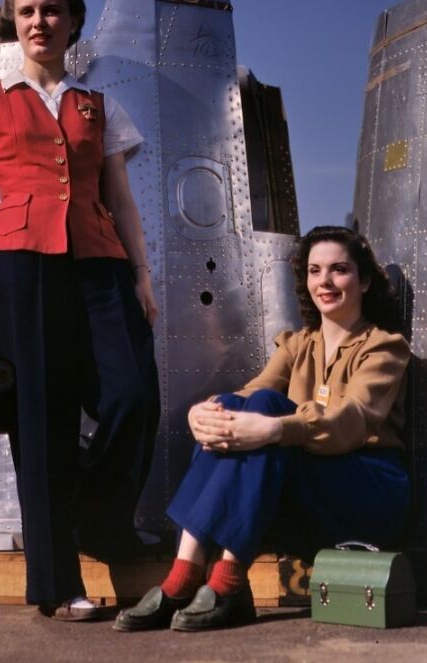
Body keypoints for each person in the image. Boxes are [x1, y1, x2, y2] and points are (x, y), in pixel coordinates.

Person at [0, 0, 160, 621]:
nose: (40, 21)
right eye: (28, 11)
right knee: (40, 422)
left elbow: (121, 198)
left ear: (73, 21)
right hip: (19, 267)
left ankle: (95, 517)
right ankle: (57, 583)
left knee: (133, 395)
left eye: (53, 10)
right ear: (14, 22)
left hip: (99, 264)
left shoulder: (100, 106)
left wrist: (142, 274)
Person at [114, 225, 410, 632]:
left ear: (365, 281)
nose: (324, 281)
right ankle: (189, 572)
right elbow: (250, 393)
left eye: (339, 270)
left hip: (368, 491)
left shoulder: (384, 347)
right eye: (315, 271)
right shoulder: (298, 344)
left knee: (268, 411)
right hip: (312, 489)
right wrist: (205, 413)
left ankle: (222, 582)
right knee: (236, 407)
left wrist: (274, 430)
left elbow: (352, 419)